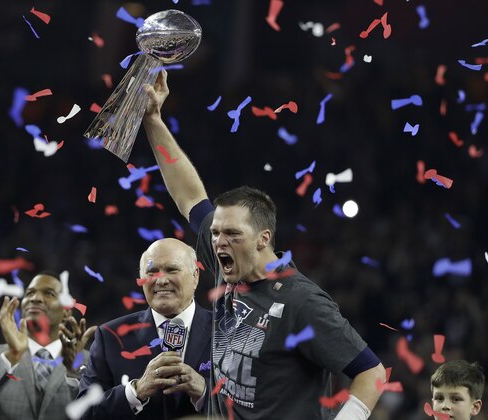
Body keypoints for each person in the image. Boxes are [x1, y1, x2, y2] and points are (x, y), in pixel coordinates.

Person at [140, 70, 387, 419]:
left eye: (231, 235)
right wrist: (153, 120)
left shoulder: (302, 302)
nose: (218, 241)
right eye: (216, 233)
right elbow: (189, 195)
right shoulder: (229, 260)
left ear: (263, 240)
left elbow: (372, 373)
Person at [78, 238, 212, 419]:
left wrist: (206, 392)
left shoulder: (228, 330)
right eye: (152, 272)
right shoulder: (110, 337)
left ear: (195, 275)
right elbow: (85, 413)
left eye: (172, 270)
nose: (161, 280)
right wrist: (136, 392)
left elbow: (257, 405)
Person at [0, 272, 97, 420]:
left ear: (66, 312)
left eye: (49, 294)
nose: (35, 298)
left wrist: (74, 374)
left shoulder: (90, 363)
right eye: (30, 293)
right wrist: (10, 358)